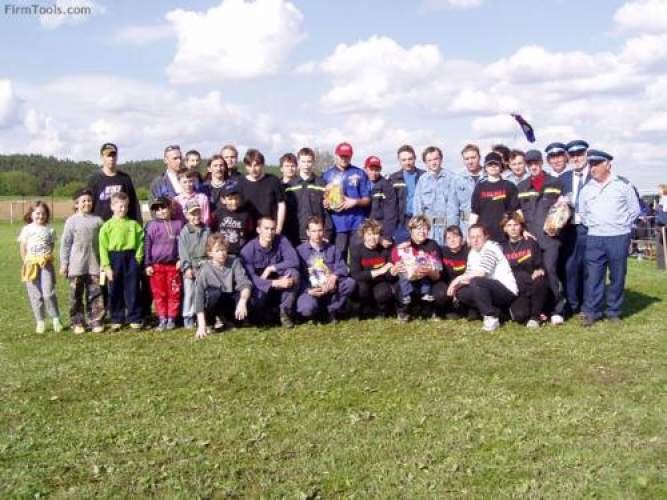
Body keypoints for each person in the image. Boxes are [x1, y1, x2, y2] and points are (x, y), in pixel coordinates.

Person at [579, 149, 640, 326]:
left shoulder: (623, 185)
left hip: (618, 237)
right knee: (593, 276)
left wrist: (620, 226)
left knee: (617, 276)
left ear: (608, 165)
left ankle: (613, 312)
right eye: (591, 164)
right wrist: (595, 225)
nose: (593, 168)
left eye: (597, 164)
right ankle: (592, 312)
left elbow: (634, 210)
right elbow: (582, 213)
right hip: (595, 237)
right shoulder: (586, 189)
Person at [516, 149, 567, 324]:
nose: (533, 166)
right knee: (535, 276)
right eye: (530, 164)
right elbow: (517, 213)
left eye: (536, 163)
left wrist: (558, 225)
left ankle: (557, 310)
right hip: (531, 240)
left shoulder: (555, 183)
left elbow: (564, 208)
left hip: (550, 239)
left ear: (541, 162)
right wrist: (522, 229)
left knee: (551, 271)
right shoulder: (522, 187)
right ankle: (540, 310)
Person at [447, 224, 518, 332]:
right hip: (487, 289)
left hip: (506, 290)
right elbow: (468, 274)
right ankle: (498, 313)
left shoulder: (491, 247)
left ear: (486, 237)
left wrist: (457, 280)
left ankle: (490, 317)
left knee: (477, 282)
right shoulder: (472, 253)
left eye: (478, 236)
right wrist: (456, 286)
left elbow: (481, 273)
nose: (475, 240)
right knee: (461, 292)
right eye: (472, 237)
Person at [240, 217, 300, 327]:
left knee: (294, 273)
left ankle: (285, 312)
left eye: (272, 229)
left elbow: (294, 261)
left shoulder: (282, 240)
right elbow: (251, 278)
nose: (270, 232)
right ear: (258, 230)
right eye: (266, 228)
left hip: (280, 281)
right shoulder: (247, 250)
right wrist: (274, 283)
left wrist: (271, 268)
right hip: (260, 287)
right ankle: (265, 314)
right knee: (256, 300)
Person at [59, 188, 105, 334]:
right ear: (76, 204)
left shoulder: (98, 221)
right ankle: (77, 322)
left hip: (94, 265)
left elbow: (103, 243)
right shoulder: (71, 221)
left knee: (95, 294)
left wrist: (104, 262)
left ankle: (96, 320)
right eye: (83, 201)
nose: (87, 203)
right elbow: (65, 244)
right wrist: (64, 264)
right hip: (76, 266)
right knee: (76, 296)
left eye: (89, 200)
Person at [296, 217, 356, 323]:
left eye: (320, 230)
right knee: (306, 309)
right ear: (308, 232)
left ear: (324, 231)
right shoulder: (299, 251)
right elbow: (297, 276)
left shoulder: (332, 248)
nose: (317, 234)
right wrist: (308, 290)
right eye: (314, 231)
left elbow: (343, 268)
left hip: (330, 288)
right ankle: (316, 312)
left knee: (350, 283)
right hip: (311, 289)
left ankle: (330, 310)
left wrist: (334, 276)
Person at [99, 192, 144, 330]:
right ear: (112, 206)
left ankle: (134, 317)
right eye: (120, 206)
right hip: (114, 258)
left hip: (131, 258)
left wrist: (138, 259)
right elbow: (102, 247)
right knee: (115, 289)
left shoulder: (134, 225)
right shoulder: (107, 226)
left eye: (125, 206)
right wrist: (106, 266)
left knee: (133, 288)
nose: (123, 209)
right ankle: (116, 317)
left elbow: (141, 242)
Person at [194, 234, 252, 339]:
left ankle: (230, 320)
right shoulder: (205, 269)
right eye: (217, 251)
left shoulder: (234, 262)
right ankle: (209, 322)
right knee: (214, 293)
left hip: (228, 298)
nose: (222, 253)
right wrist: (201, 325)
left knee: (242, 295)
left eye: (223, 250)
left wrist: (243, 301)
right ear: (210, 253)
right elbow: (199, 296)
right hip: (213, 302)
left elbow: (245, 283)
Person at [18, 201, 63, 333]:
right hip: (31, 266)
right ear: (31, 214)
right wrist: (26, 261)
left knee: (48, 293)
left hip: (46, 265)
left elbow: (52, 245)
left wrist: (47, 256)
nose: (40, 216)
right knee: (35, 295)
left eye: (43, 213)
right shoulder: (27, 229)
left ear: (47, 215)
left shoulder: (50, 229)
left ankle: (56, 319)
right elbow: (23, 247)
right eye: (37, 213)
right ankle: (40, 321)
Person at [322, 142, 371, 259]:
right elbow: (323, 198)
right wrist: (325, 202)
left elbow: (367, 200)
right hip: (337, 223)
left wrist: (354, 202)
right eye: (341, 156)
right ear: (336, 155)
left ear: (351, 156)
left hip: (357, 223)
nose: (344, 159)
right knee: (339, 256)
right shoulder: (327, 175)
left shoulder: (360, 173)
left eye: (347, 156)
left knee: (357, 256)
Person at [501, 212, 550, 328]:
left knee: (541, 280)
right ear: (504, 229)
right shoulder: (501, 247)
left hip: (532, 284)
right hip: (517, 289)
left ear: (521, 227)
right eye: (509, 225)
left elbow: (540, 264)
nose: (513, 228)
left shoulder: (530, 243)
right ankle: (535, 312)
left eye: (516, 225)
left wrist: (539, 270)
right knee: (519, 315)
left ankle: (535, 317)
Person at [559, 139, 591, 313]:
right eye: (573, 155)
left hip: (590, 229)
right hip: (569, 229)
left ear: (586, 154)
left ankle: (588, 303)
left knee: (589, 267)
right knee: (570, 267)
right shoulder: (563, 178)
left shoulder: (595, 174)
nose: (576, 158)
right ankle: (572, 304)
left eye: (580, 154)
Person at [391, 215, 443, 322]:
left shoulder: (432, 244)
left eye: (425, 228)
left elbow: (438, 272)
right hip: (408, 278)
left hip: (427, 279)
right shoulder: (403, 243)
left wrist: (429, 271)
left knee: (439, 291)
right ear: (411, 230)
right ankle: (403, 312)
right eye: (418, 228)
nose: (422, 231)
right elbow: (391, 269)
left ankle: (429, 311)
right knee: (401, 287)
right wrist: (395, 269)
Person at [144, 197, 184, 331]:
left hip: (173, 266)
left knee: (174, 292)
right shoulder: (151, 225)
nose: (160, 211)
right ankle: (162, 318)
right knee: (159, 293)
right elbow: (147, 245)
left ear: (170, 207)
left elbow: (182, 244)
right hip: (156, 266)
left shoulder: (178, 224)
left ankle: (172, 318)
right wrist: (147, 264)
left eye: (163, 207)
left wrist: (180, 259)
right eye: (157, 209)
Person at [282, 147, 333, 246]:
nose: (306, 165)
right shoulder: (289, 186)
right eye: (303, 161)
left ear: (313, 162)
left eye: (309, 161)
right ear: (298, 162)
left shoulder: (322, 184)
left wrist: (327, 234)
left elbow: (327, 212)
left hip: (317, 237)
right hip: (294, 236)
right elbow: (286, 214)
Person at [349, 219, 396, 319]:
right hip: (363, 282)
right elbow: (355, 274)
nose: (372, 238)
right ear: (363, 235)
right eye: (369, 234)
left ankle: (381, 309)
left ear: (380, 236)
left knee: (384, 293)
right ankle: (361, 308)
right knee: (361, 288)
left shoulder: (385, 250)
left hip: (380, 281)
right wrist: (380, 271)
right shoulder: (356, 250)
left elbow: (388, 273)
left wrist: (391, 272)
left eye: (375, 234)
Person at [413, 146, 459, 246]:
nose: (433, 163)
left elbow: (457, 206)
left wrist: (454, 230)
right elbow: (417, 207)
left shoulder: (452, 178)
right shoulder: (422, 180)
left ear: (441, 159)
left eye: (436, 159)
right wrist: (419, 230)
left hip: (448, 229)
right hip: (429, 230)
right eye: (429, 160)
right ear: (425, 163)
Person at [469, 152, 519, 243]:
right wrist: (470, 234)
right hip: (484, 236)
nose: (493, 166)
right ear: (485, 167)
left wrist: (523, 230)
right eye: (490, 164)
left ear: (501, 166)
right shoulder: (480, 187)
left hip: (505, 235)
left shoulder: (509, 186)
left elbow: (516, 210)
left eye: (496, 164)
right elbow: (474, 212)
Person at [87, 143, 142, 222]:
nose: (111, 158)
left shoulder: (125, 178)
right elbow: (89, 204)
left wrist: (138, 222)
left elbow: (134, 204)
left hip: (122, 225)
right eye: (108, 155)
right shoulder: (94, 179)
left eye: (113, 155)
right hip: (100, 225)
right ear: (102, 157)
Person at [178, 200, 211, 329]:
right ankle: (188, 317)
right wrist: (187, 268)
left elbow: (210, 247)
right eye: (193, 214)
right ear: (187, 215)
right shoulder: (184, 232)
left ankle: (202, 316)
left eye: (198, 213)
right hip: (191, 266)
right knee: (190, 292)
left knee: (204, 291)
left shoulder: (207, 230)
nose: (196, 216)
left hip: (205, 265)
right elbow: (183, 252)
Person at [237, 149, 286, 234]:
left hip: (269, 230)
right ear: (245, 166)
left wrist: (279, 228)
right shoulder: (240, 182)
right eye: (249, 165)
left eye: (256, 165)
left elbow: (281, 204)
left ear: (262, 165)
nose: (253, 169)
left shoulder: (273, 180)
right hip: (247, 230)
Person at [389, 145, 424, 243]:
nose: (407, 162)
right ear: (399, 161)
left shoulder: (424, 176)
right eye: (404, 160)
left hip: (420, 219)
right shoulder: (393, 178)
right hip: (402, 221)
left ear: (415, 158)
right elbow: (390, 204)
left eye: (410, 159)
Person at [432, 225, 469, 319]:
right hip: (445, 283)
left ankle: (462, 308)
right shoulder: (441, 251)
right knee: (440, 293)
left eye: (455, 237)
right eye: (448, 238)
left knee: (472, 314)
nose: (452, 240)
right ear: (445, 241)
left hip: (462, 283)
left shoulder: (468, 251)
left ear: (462, 238)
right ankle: (441, 311)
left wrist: (457, 284)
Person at [211, 183, 254, 255]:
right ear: (223, 200)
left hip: (239, 253)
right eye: (230, 199)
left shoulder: (245, 215)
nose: (234, 202)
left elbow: (250, 232)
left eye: (236, 198)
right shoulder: (217, 213)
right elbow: (212, 230)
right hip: (222, 253)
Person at [365, 156, 397, 248]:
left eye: (377, 170)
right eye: (371, 169)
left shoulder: (386, 186)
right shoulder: (361, 183)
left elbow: (391, 212)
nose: (374, 173)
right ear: (365, 169)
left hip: (380, 228)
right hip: (364, 228)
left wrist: (386, 236)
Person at [455, 144, 485, 236]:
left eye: (473, 158)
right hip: (465, 227)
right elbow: (453, 207)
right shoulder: (458, 179)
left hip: (486, 224)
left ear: (479, 157)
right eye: (467, 159)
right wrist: (455, 231)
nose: (470, 161)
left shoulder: (489, 176)